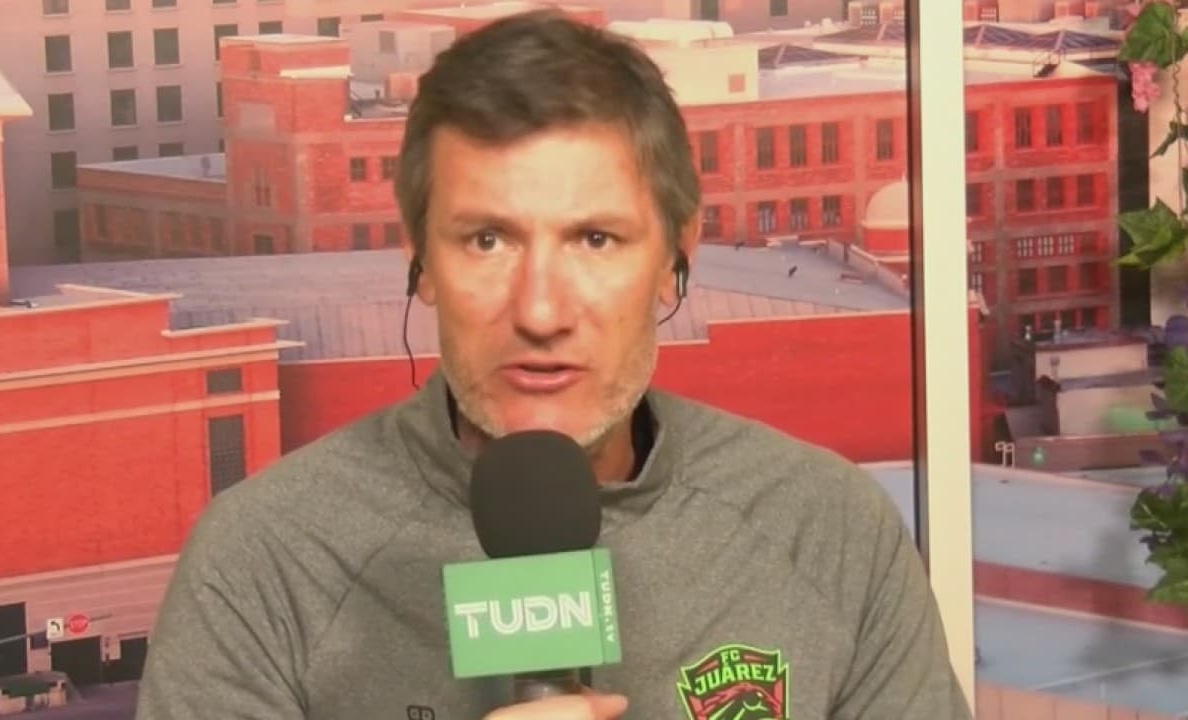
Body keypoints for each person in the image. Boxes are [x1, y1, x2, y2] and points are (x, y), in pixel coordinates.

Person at [134, 8, 974, 720]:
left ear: (675, 258)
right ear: (421, 261)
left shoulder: (825, 529)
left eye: (595, 239)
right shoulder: (262, 564)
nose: (540, 312)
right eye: (486, 240)